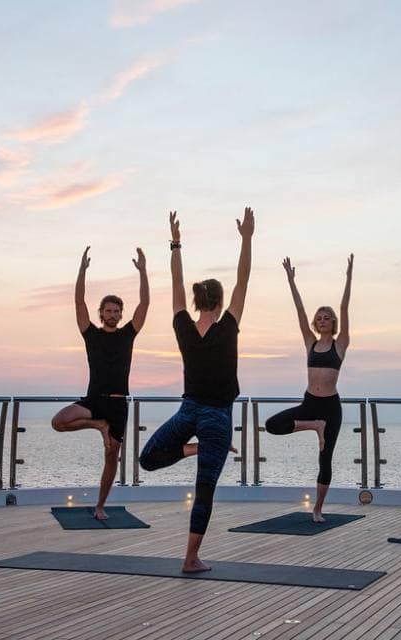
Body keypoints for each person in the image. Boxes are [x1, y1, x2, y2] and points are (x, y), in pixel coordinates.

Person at [139, 208, 253, 573]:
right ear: (219, 303)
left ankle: (195, 449)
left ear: (195, 303)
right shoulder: (228, 326)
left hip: (189, 411)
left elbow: (175, 285)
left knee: (148, 459)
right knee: (204, 490)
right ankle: (190, 558)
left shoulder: (183, 326)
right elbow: (243, 280)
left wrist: (175, 243)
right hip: (216, 416)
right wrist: (247, 238)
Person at [51, 246, 149, 521]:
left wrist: (143, 272)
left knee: (111, 457)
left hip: (118, 404)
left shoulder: (128, 334)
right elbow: (79, 303)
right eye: (108, 310)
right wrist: (82, 270)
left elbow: (145, 305)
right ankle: (99, 426)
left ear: (120, 314)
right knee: (58, 421)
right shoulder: (91, 334)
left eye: (117, 310)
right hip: (94, 401)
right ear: (101, 313)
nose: (113, 314)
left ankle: (100, 506)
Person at [265, 254, 353, 523]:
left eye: (327, 317)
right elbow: (299, 311)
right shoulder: (310, 343)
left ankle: (318, 508)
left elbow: (345, 307)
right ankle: (314, 425)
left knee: (325, 460)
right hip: (310, 405)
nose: (323, 320)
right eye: (320, 318)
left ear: (333, 322)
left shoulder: (341, 344)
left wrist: (349, 279)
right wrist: (291, 281)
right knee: (271, 424)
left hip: (330, 408)